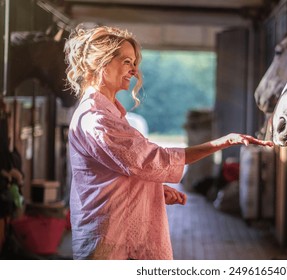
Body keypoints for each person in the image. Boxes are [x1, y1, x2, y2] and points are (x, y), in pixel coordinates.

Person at [64, 25, 273, 260]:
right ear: (102, 63)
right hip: (108, 241)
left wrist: (151, 190)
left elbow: (121, 171)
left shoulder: (110, 112)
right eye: (126, 62)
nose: (134, 70)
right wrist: (221, 143)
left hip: (119, 236)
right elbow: (150, 161)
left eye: (134, 63)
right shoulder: (96, 117)